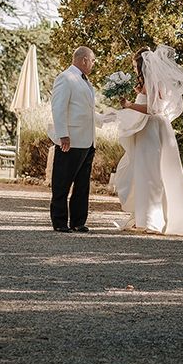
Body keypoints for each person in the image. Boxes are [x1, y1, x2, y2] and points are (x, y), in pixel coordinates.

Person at [104, 45, 183, 237]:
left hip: (151, 129)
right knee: (150, 172)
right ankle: (147, 218)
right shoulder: (153, 81)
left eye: (134, 66)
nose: (134, 69)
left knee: (151, 173)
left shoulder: (153, 82)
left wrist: (129, 105)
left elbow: (153, 109)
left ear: (142, 65)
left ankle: (152, 221)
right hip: (157, 128)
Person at [48, 46, 103, 233]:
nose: (94, 64)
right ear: (84, 60)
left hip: (88, 141)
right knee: (62, 182)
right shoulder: (65, 78)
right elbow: (58, 107)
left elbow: (86, 110)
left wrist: (108, 118)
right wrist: (63, 134)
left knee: (82, 185)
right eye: (93, 60)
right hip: (70, 140)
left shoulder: (86, 82)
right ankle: (60, 222)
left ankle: (79, 221)